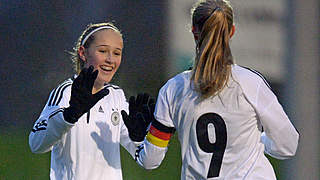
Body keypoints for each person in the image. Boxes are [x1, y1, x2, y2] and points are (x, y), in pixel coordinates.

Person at [122, 0, 300, 179]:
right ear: (231, 32)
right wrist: (255, 139)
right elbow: (287, 145)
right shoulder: (250, 83)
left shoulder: (172, 89)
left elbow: (150, 160)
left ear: (194, 31)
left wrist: (139, 137)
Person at [29, 22, 150, 180]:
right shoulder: (66, 92)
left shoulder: (116, 96)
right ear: (83, 53)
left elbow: (146, 161)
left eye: (117, 53)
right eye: (102, 51)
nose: (110, 60)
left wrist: (140, 138)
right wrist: (68, 116)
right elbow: (36, 144)